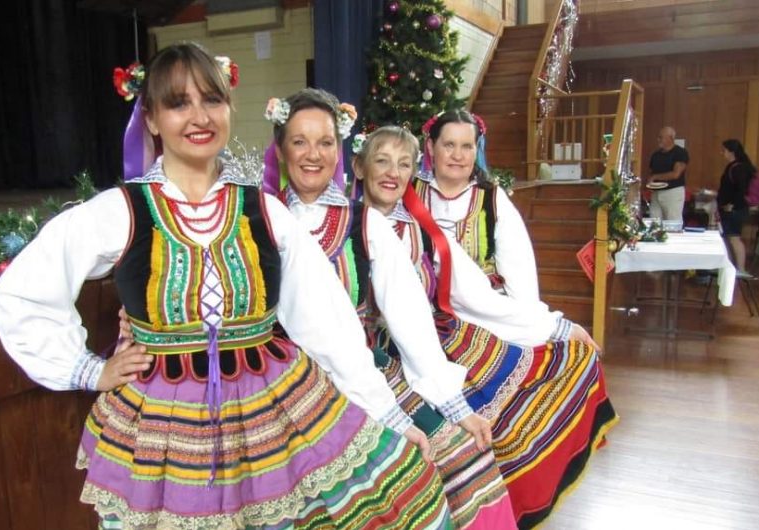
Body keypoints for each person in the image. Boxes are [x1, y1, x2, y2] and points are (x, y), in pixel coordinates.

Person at [0, 43, 453, 529]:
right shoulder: (118, 211)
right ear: (150, 118)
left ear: (229, 107)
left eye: (212, 99)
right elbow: (21, 295)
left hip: (269, 411)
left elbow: (329, 326)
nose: (199, 116)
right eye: (178, 103)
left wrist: (388, 415)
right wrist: (86, 370)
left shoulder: (264, 211)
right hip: (164, 430)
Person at [263, 88, 516, 530]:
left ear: (340, 152)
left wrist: (454, 407)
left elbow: (409, 319)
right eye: (299, 141)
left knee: (452, 458)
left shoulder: (366, 223)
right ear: (280, 147)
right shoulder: (257, 219)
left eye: (324, 142)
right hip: (282, 381)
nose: (312, 154)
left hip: (365, 371)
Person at [355, 126, 617, 529]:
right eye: (382, 161)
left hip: (437, 339)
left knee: (510, 418)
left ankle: (507, 508)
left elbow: (473, 292)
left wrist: (555, 327)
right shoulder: (342, 228)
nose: (393, 173)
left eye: (403, 164)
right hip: (379, 356)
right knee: (444, 450)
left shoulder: (423, 228)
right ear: (359, 167)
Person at [413, 110, 539, 302]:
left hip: (481, 311)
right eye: (449, 145)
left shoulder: (493, 199)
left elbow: (519, 272)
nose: (457, 155)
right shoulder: (409, 194)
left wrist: (526, 322)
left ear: (476, 149)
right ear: (431, 147)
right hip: (420, 309)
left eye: (466, 147)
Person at [717, 139, 754, 275]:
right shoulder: (734, 166)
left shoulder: (738, 167)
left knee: (734, 238)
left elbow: (742, 189)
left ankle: (741, 269)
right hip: (729, 208)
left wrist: (732, 205)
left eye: (724, 150)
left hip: (734, 210)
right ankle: (731, 267)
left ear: (731, 152)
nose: (722, 153)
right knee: (729, 238)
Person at [647, 126, 690, 222]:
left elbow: (676, 174)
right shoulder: (656, 154)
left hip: (673, 192)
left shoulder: (680, 153)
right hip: (656, 192)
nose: (658, 140)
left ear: (670, 138)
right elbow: (651, 172)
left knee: (672, 222)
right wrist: (650, 182)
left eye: (661, 137)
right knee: (654, 222)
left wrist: (655, 177)